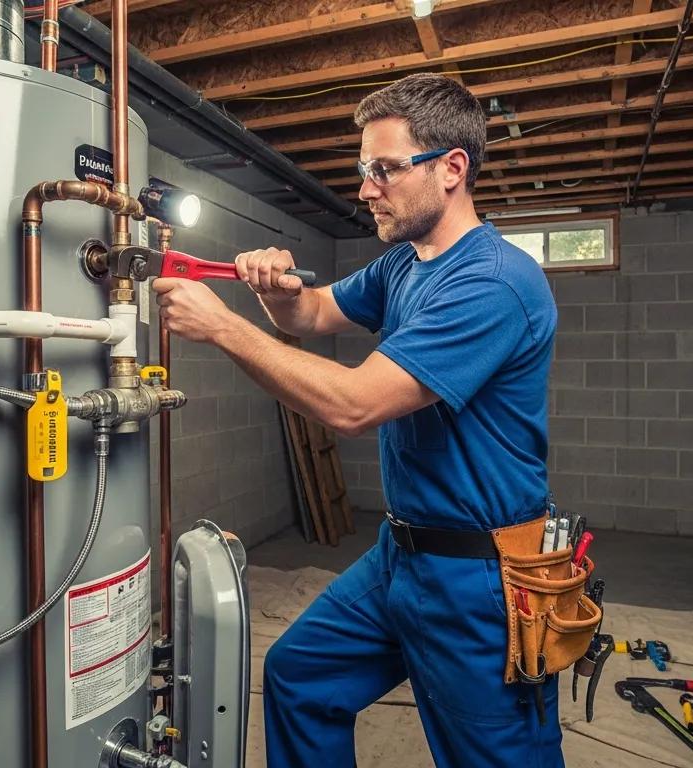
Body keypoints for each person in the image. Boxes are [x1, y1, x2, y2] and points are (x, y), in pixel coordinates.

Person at [152, 73, 560, 766]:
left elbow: (354, 404)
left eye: (386, 169)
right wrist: (274, 292)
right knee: (300, 678)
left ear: (453, 168)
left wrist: (222, 328)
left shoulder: (492, 282)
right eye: (363, 169)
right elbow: (312, 313)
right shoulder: (404, 264)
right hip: (401, 556)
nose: (367, 188)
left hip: (478, 578)